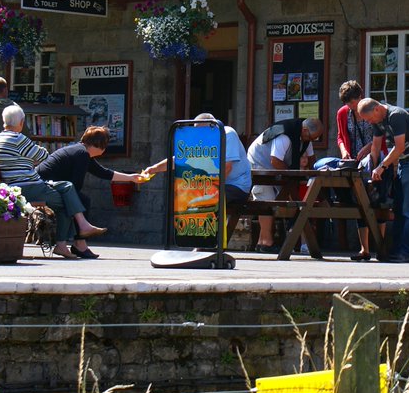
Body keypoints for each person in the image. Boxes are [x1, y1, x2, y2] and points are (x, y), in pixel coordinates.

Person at [0, 105, 107, 260]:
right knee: (67, 201)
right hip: (28, 186)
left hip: (20, 184)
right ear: (21, 122)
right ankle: (62, 244)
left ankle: (82, 226)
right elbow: (43, 155)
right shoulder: (18, 138)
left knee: (67, 186)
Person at [36, 126, 147, 259]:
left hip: (48, 184)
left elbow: (103, 172)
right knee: (82, 200)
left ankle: (79, 243)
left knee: (83, 200)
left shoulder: (81, 151)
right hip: (43, 186)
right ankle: (79, 244)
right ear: (100, 145)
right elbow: (76, 185)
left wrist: (131, 178)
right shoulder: (82, 154)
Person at [357, 97, 409, 264]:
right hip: (404, 163)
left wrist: (381, 167)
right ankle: (397, 251)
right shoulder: (378, 120)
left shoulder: (395, 115)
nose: (370, 123)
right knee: (398, 208)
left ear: (376, 109)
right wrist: (372, 169)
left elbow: (398, 147)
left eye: (369, 119)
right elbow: (375, 146)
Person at [246, 118, 324, 253]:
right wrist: (292, 175)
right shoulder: (284, 136)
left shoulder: (306, 139)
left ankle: (262, 241)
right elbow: (275, 161)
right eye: (312, 137)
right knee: (266, 198)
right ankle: (266, 243)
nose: (312, 141)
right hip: (259, 162)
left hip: (274, 166)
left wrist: (316, 173)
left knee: (286, 198)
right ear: (305, 130)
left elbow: (312, 161)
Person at [142, 113, 253, 206]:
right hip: (214, 185)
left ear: (211, 127)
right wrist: (154, 169)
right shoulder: (203, 138)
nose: (199, 135)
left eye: (201, 131)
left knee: (200, 200)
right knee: (184, 197)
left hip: (236, 186)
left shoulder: (227, 134)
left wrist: (207, 189)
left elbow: (227, 167)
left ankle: (204, 231)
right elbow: (180, 159)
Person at [336, 81, 376, 261]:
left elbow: (381, 136)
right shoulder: (343, 113)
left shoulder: (372, 109)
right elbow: (340, 136)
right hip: (353, 161)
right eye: (348, 103)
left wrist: (368, 149)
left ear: (360, 97)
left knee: (372, 200)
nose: (351, 107)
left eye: (353, 102)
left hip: (372, 159)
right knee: (358, 200)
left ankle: (379, 244)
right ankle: (364, 248)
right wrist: (344, 151)